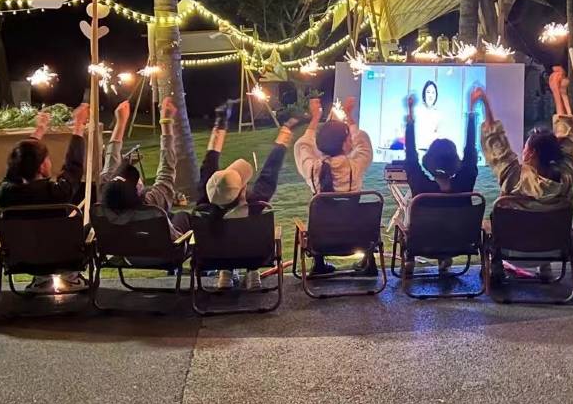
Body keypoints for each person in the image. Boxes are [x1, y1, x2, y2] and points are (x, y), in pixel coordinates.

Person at [193, 100, 299, 290]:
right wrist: (286, 131)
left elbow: (208, 163)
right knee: (250, 235)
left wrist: (220, 124)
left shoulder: (204, 204)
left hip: (217, 257)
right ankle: (252, 272)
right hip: (255, 256)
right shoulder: (256, 203)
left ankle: (225, 273)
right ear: (242, 189)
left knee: (228, 240)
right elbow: (270, 169)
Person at [0, 101, 91, 293]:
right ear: (41, 166)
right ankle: (71, 277)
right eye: (46, 158)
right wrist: (78, 127)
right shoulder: (57, 192)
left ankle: (42, 280)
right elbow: (73, 167)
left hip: (23, 260)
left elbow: (13, 171)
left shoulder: (5, 193)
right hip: (62, 258)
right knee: (90, 224)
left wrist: (38, 132)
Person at [293, 96, 375, 275]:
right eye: (348, 139)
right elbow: (363, 144)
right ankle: (369, 263)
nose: (351, 140)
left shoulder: (313, 169)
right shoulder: (355, 166)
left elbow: (302, 146)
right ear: (344, 144)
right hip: (356, 238)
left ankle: (319, 264)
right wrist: (349, 117)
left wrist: (315, 118)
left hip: (321, 241)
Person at [477, 67, 573, 204]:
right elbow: (567, 138)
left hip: (516, 219)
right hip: (555, 219)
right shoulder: (565, 179)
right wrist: (558, 93)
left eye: (525, 147)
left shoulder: (515, 180)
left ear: (531, 153)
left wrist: (484, 102)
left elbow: (496, 145)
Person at [98, 95, 190, 233]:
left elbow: (110, 164)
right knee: (182, 216)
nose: (140, 181)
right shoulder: (151, 205)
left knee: (170, 215)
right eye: (138, 182)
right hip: (160, 243)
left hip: (121, 241)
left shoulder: (104, 201)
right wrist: (166, 122)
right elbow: (167, 171)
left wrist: (120, 123)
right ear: (137, 192)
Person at [403, 90, 477, 197]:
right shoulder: (465, 185)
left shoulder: (420, 187)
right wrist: (471, 110)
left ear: (428, 160)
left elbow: (411, 157)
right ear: (456, 161)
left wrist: (410, 113)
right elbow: (470, 154)